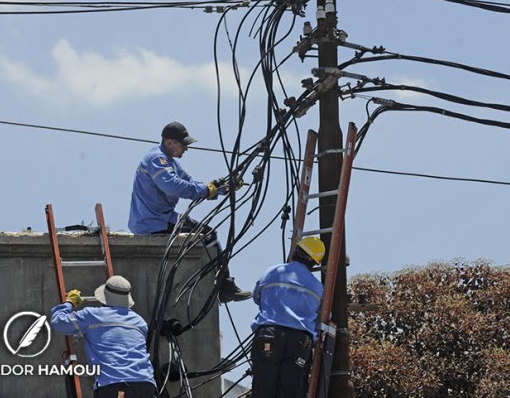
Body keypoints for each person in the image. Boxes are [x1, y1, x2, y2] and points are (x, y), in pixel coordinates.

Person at [128, 120, 251, 302]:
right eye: (183, 145)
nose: (186, 149)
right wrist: (205, 190)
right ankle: (224, 286)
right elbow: (173, 186)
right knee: (208, 236)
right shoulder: (157, 159)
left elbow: (191, 183)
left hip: (161, 218)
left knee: (207, 234)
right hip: (153, 222)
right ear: (170, 143)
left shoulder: (170, 162)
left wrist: (222, 188)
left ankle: (222, 284)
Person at [50, 275, 156, 398]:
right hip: (146, 384)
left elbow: (59, 322)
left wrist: (69, 302)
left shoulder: (93, 316)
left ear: (104, 297)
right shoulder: (139, 321)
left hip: (116, 386)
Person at [250, 236, 326, 398]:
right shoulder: (318, 288)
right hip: (299, 341)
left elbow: (257, 297)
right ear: (314, 263)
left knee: (263, 388)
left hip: (269, 334)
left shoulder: (272, 272)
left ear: (295, 251)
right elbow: (324, 315)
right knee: (292, 391)